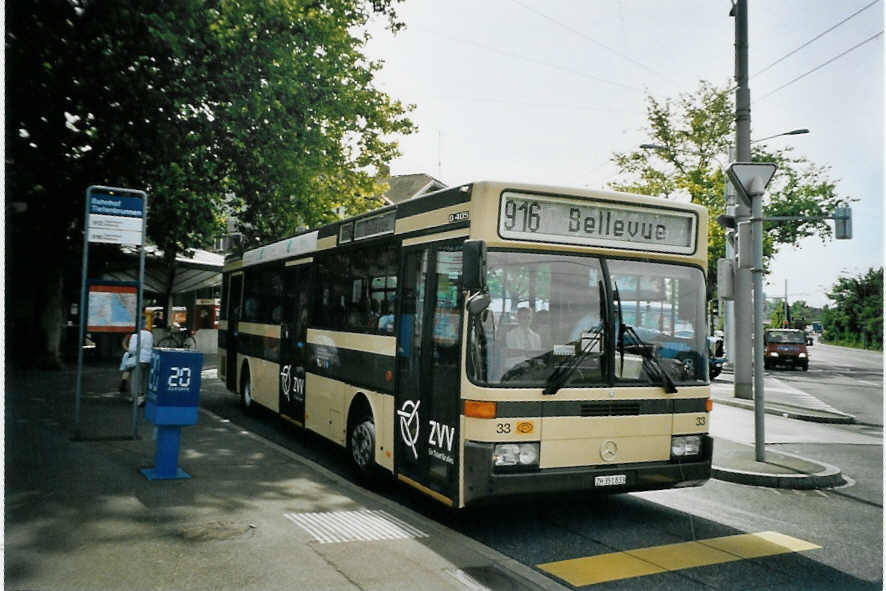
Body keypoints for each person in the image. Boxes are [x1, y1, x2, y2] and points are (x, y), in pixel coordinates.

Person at [127, 321, 154, 406]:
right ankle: (144, 396)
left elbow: (132, 349)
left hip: (138, 359)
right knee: (145, 379)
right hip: (148, 359)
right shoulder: (150, 334)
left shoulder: (135, 336)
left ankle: (138, 398)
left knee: (136, 379)